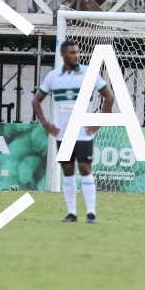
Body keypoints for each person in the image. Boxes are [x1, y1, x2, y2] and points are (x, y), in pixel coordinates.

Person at [32, 40, 115, 223]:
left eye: (77, 52)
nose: (76, 55)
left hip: (83, 132)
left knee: (85, 168)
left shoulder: (89, 73)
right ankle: (72, 213)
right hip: (63, 133)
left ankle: (91, 213)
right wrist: (46, 124)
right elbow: (36, 100)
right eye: (72, 53)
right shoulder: (53, 76)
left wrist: (99, 121)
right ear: (63, 55)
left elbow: (109, 96)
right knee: (67, 170)